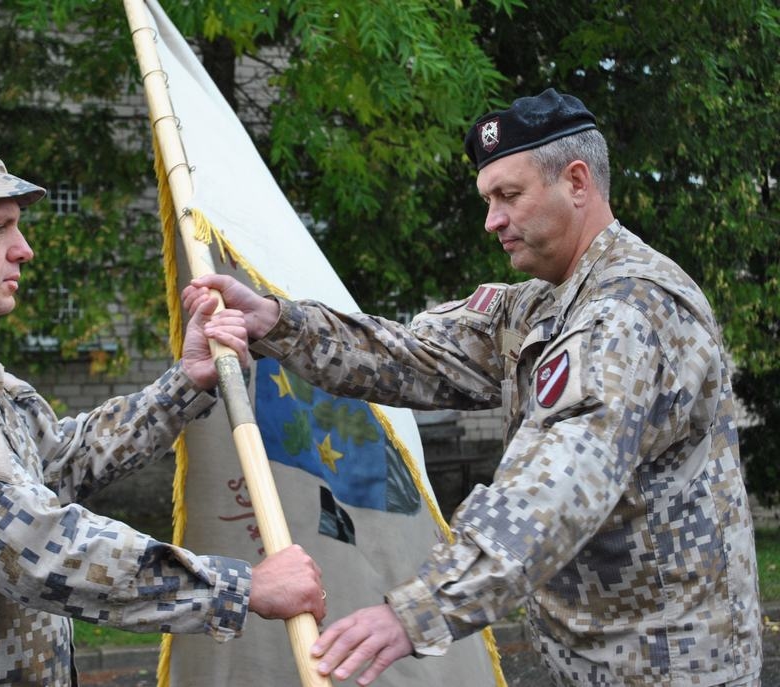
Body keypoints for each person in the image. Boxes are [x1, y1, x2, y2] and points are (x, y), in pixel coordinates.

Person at [185, 89, 762, 686]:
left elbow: (555, 487)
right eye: (488, 199)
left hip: (670, 666)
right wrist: (277, 323)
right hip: (605, 659)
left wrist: (420, 607)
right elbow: (415, 355)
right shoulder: (544, 301)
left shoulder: (629, 314)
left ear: (578, 182)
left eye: (509, 196)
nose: (493, 221)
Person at [0, 130, 325, 685]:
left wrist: (185, 383)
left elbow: (58, 466)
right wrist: (239, 587)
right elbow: (29, 543)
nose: (23, 247)